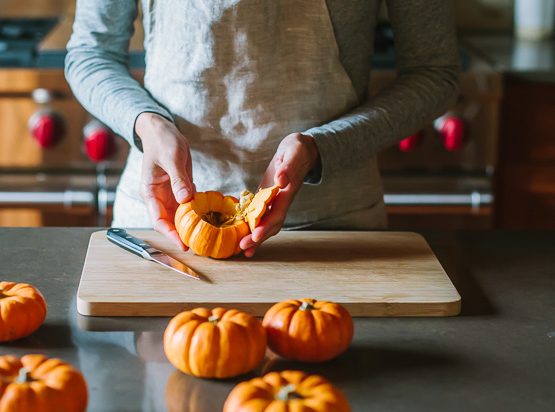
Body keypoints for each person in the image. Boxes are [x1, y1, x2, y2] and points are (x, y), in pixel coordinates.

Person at [65, 0, 460, 257]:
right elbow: (90, 53)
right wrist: (145, 122)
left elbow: (435, 74)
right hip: (163, 225)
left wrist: (324, 147)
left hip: (331, 231)